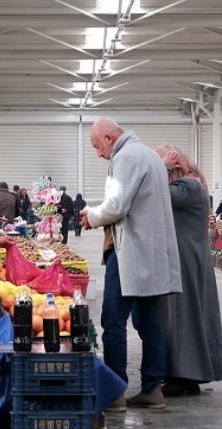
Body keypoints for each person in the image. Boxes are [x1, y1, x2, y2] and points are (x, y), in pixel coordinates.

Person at [80, 118, 181, 410]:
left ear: (110, 138)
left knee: (113, 320)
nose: (98, 154)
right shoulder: (149, 155)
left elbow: (116, 205)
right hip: (150, 253)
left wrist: (91, 216)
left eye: (97, 146)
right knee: (150, 323)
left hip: (130, 253)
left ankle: (115, 393)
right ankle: (153, 389)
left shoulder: (126, 157)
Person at [154, 144, 222, 396]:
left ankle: (186, 375)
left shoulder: (188, 186)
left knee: (184, 316)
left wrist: (161, 167)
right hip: (186, 258)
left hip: (186, 260)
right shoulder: (191, 186)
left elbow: (153, 191)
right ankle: (186, 374)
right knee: (185, 315)